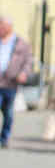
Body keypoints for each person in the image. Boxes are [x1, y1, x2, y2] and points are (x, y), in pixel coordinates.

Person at [0, 15, 33, 148]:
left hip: (10, 82)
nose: (0, 28)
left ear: (9, 27)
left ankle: (5, 137)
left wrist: (24, 73)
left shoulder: (20, 43)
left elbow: (28, 61)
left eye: (2, 25)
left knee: (8, 111)